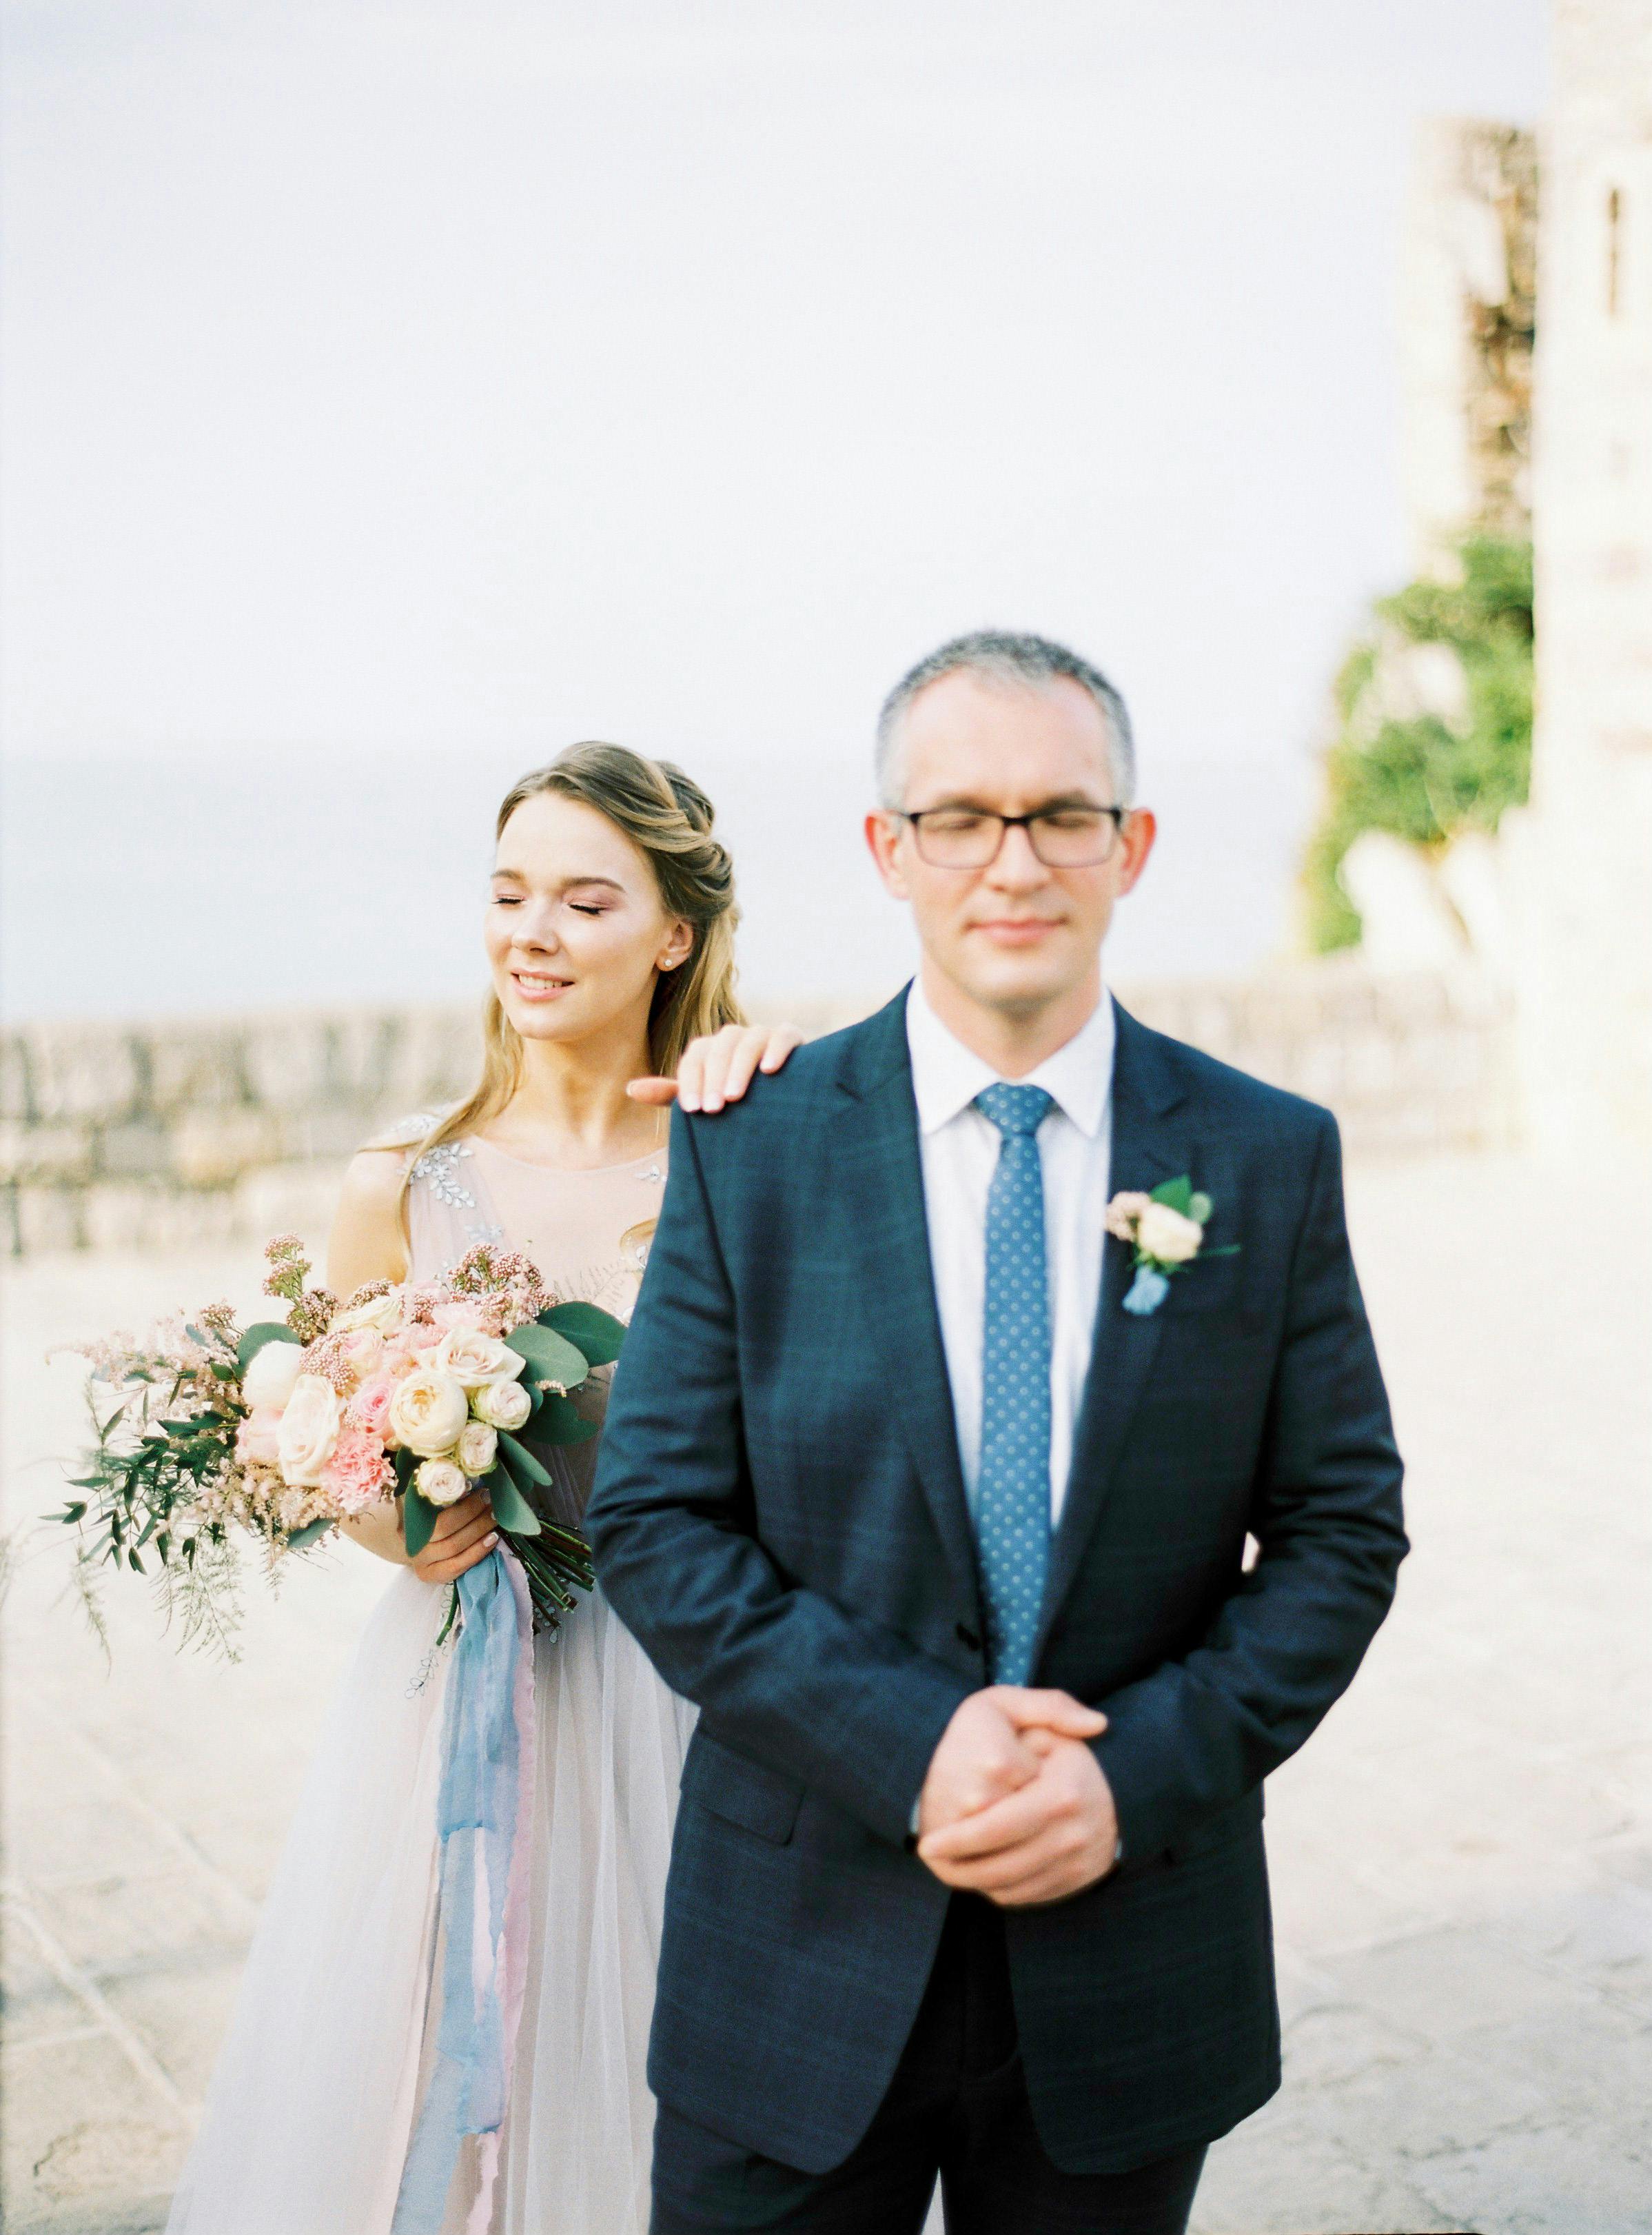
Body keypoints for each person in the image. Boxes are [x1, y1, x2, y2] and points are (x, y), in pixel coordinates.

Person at [587, 629, 1409, 2235]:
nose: (1012, 860)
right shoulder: (750, 1148)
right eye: (959, 816)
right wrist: (914, 1737)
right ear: (887, 849)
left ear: (1132, 844)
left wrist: (1136, 1777)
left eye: (1060, 814)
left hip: (1127, 1956)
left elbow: (1337, 1532)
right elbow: (660, 1525)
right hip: (795, 1948)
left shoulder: (1261, 1155)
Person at [165, 742, 801, 2235]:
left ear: (673, 933)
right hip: (465, 1693)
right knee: (438, 2075)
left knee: (683, 2079)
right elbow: (325, 1442)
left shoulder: (744, 1153)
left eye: (584, 900)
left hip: (696, 1687)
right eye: (509, 893)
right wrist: (403, 1524)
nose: (531, 930)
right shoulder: (406, 1179)